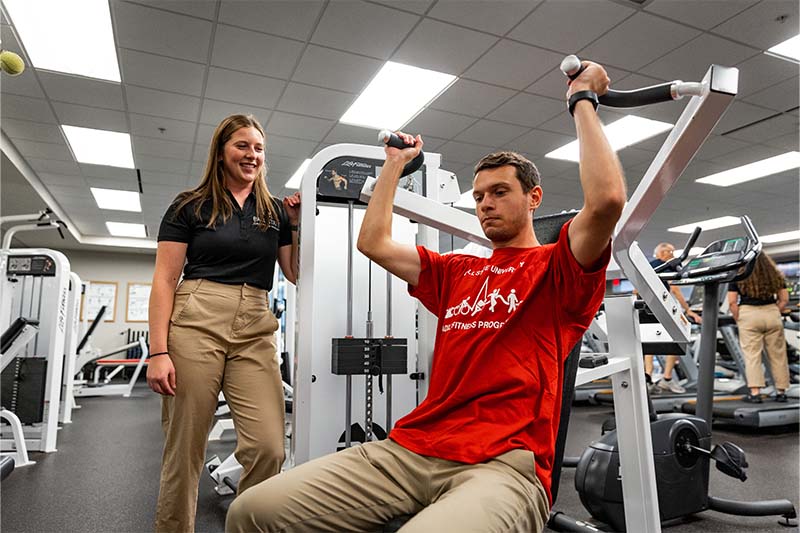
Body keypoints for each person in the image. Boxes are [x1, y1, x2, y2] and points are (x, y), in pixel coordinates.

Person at [226, 60, 626, 533]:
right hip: (414, 447)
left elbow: (606, 202)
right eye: (479, 197)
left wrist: (582, 101)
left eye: (499, 192)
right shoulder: (458, 271)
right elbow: (373, 242)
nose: (486, 204)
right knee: (251, 511)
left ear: (534, 198)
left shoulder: (558, 270)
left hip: (502, 465)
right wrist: (394, 166)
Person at [147, 114, 301, 533]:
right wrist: (158, 351)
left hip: (255, 323)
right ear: (221, 151)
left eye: (258, 148)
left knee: (269, 446)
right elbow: (164, 280)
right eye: (242, 145)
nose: (252, 155)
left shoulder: (274, 212)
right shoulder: (189, 205)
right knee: (185, 448)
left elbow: (295, 272)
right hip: (197, 317)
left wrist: (301, 224)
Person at [727, 251, 791, 403]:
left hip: (748, 314)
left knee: (752, 356)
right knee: (778, 355)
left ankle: (755, 393)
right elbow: (784, 299)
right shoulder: (775, 274)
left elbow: (732, 302)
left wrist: (739, 318)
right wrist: (775, 311)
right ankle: (781, 392)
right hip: (771, 313)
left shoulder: (739, 275)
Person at [646, 242, 702, 394]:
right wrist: (688, 310)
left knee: (648, 341)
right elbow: (675, 290)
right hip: (663, 307)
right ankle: (667, 378)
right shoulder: (666, 265)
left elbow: (636, 290)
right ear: (665, 253)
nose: (673, 255)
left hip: (648, 307)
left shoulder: (647, 265)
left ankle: (648, 376)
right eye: (671, 252)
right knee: (678, 338)